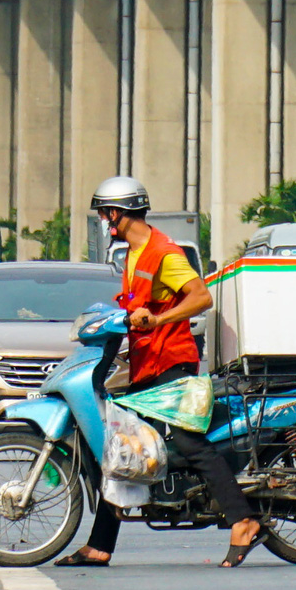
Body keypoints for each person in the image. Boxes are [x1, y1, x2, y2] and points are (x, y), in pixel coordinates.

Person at [56, 175, 262, 569]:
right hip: (147, 363)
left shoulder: (164, 253)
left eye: (104, 213)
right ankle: (100, 545)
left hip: (172, 361)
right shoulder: (133, 253)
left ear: (118, 213)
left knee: (187, 442)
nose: (103, 221)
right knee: (123, 448)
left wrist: (161, 318)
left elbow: (200, 297)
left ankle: (243, 519)